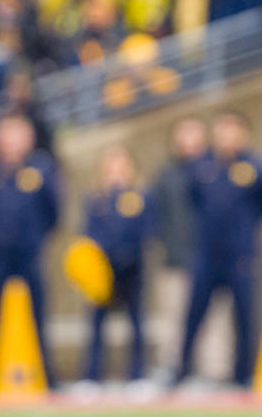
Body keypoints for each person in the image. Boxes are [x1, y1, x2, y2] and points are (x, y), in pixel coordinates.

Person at [175, 111, 262, 388]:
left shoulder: (256, 168)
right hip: (208, 254)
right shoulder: (203, 166)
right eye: (222, 130)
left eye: (232, 130)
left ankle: (243, 374)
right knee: (193, 315)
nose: (226, 137)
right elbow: (192, 200)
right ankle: (181, 371)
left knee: (244, 317)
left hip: (241, 256)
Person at [0, 111, 60, 389]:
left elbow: (53, 212)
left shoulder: (41, 169)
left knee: (39, 318)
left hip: (29, 253)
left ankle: (49, 378)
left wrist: (36, 237)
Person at [81, 145, 152, 387]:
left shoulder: (139, 197)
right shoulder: (96, 199)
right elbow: (89, 233)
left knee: (136, 323)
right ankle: (91, 376)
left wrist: (127, 255)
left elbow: (146, 231)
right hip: (103, 270)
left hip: (132, 269)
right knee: (97, 325)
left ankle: (137, 375)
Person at [151, 117, 208, 379]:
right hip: (175, 257)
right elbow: (156, 214)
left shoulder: (213, 170)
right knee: (172, 316)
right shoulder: (167, 174)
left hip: (208, 259)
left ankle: (214, 372)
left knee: (214, 321)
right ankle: (172, 368)